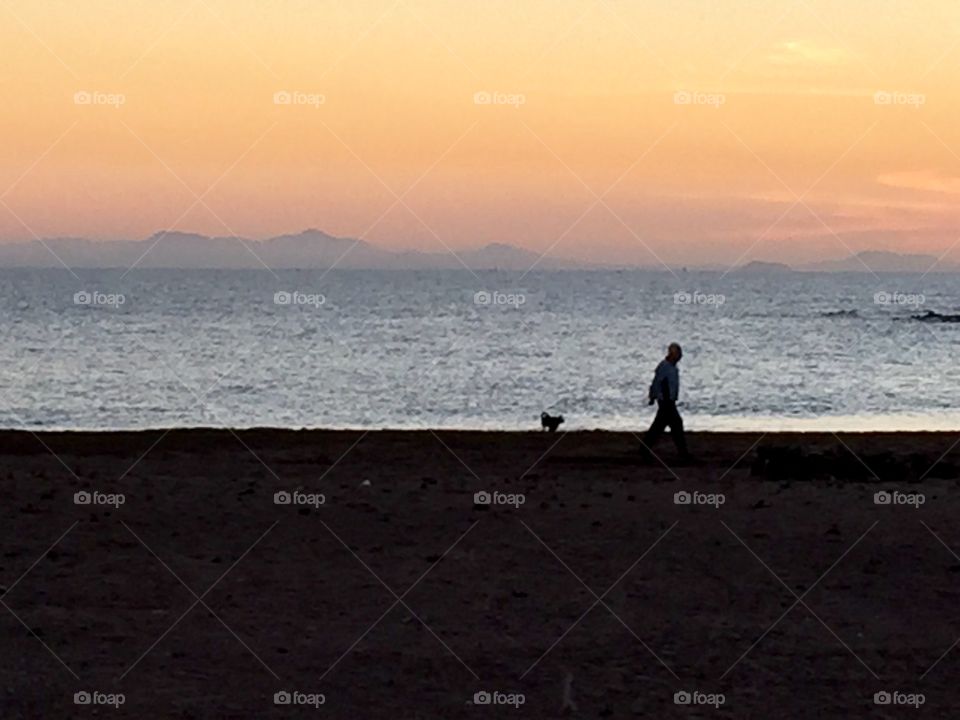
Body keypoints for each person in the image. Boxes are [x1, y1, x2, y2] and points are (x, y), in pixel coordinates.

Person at [642, 342, 690, 461]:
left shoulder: (673, 367)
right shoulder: (665, 367)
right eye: (678, 354)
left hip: (668, 400)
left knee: (660, 426)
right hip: (666, 401)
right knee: (675, 424)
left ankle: (644, 449)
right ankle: (682, 452)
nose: (680, 356)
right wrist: (653, 396)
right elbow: (657, 382)